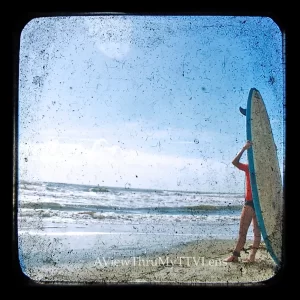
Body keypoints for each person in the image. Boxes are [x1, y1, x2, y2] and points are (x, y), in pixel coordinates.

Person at [224, 140, 261, 263]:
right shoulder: (263, 169)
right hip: (261, 205)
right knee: (256, 232)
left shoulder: (249, 167)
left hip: (250, 203)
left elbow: (234, 162)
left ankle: (235, 256)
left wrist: (244, 149)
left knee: (243, 232)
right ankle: (251, 258)